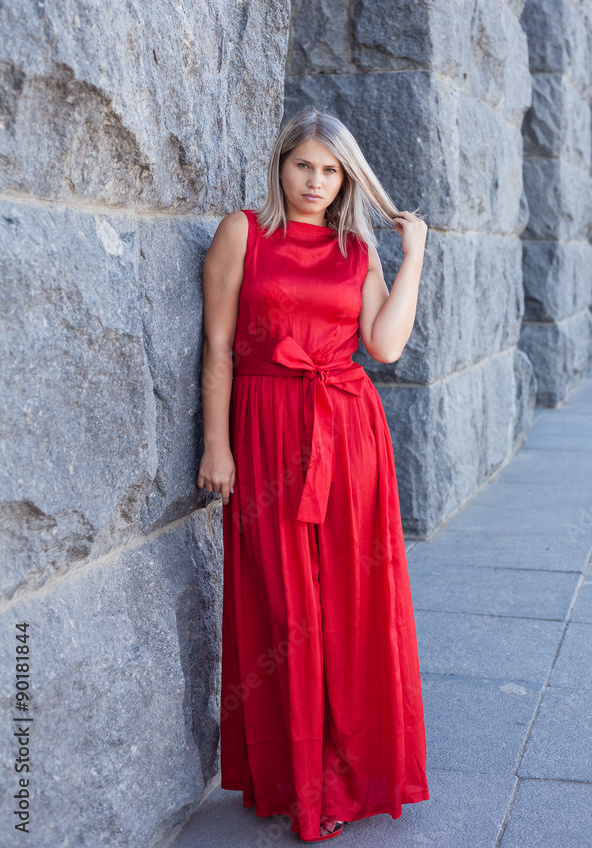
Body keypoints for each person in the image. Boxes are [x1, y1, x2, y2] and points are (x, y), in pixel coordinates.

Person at [198, 107, 430, 842]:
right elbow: (217, 345)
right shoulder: (242, 233)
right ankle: (290, 778)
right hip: (265, 433)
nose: (315, 182)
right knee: (284, 608)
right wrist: (215, 444)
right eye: (304, 165)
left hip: (348, 434)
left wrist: (413, 252)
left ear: (345, 179)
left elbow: (384, 347)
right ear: (281, 165)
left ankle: (345, 774)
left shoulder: (355, 249)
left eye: (330, 171)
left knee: (350, 605)